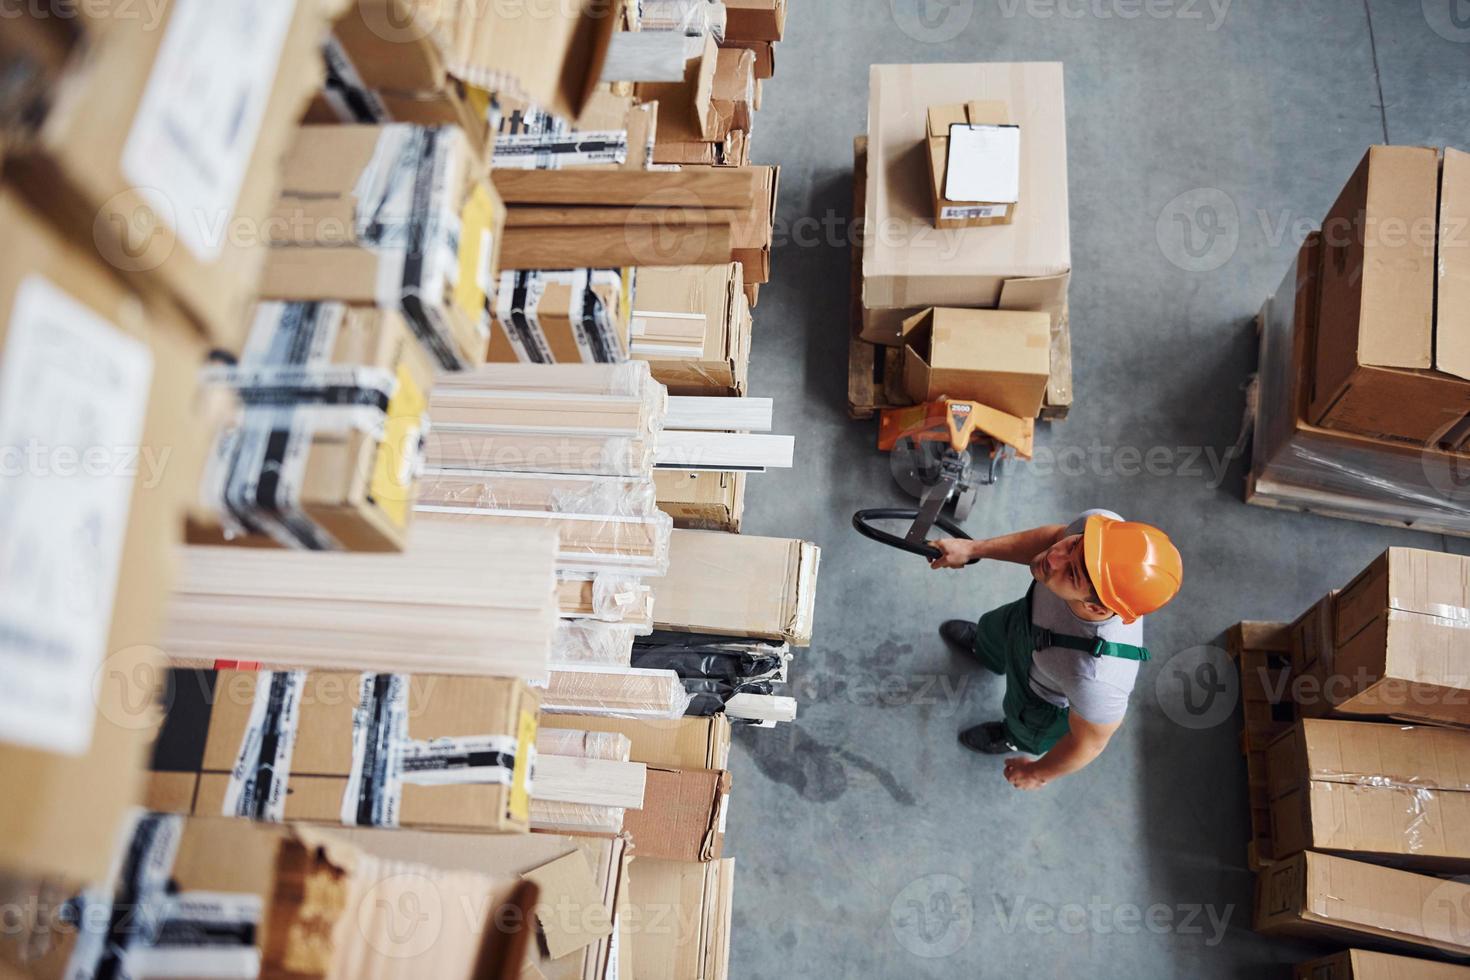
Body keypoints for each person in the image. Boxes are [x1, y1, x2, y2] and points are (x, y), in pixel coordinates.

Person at [929, 509, 1183, 791]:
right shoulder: (1100, 531)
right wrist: (973, 548)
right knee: (992, 630)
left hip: (1041, 694)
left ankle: (1011, 737)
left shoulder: (1098, 681)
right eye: (1075, 546)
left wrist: (1038, 773)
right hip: (1024, 621)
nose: (1053, 557)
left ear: (1096, 607)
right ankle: (985, 649)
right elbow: (1053, 538)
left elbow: (1089, 744)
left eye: (1072, 573)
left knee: (1024, 725)